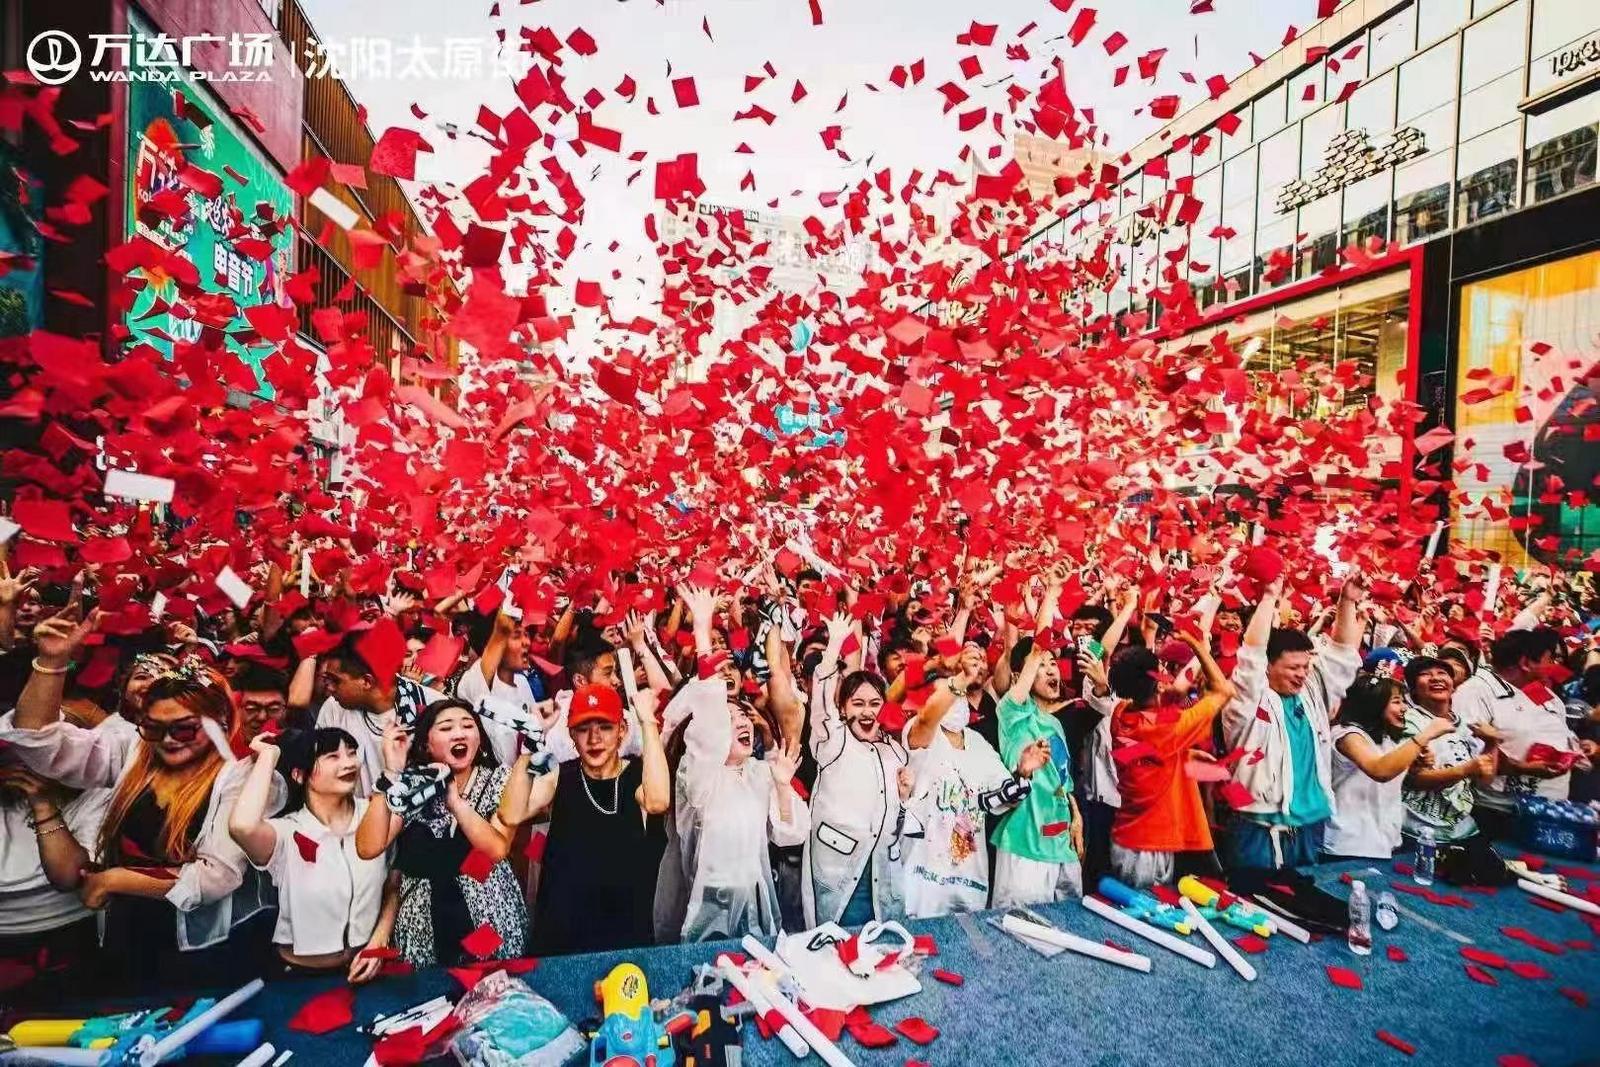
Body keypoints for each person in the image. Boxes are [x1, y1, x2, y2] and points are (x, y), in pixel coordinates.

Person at [2, 633, 277, 992]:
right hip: (125, 940)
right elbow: (41, 741)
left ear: (219, 721)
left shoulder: (240, 776)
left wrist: (115, 880)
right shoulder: (133, 750)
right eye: (154, 727)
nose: (168, 739)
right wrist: (51, 663)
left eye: (184, 728)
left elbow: (215, 877)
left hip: (206, 954)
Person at [668, 585, 810, 942]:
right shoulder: (697, 776)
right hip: (707, 910)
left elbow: (790, 834)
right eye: (732, 719)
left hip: (757, 907)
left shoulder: (759, 772)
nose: (743, 722)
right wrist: (703, 632)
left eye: (744, 716)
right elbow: (708, 726)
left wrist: (780, 785)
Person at [355, 698, 527, 966]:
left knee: (491, 996)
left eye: (468, 726)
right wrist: (391, 774)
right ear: (425, 744)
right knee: (434, 999)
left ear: (479, 738)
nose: (459, 733)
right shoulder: (411, 785)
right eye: (446, 728)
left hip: (487, 916)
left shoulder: (500, 779)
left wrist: (456, 803)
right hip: (423, 925)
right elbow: (368, 847)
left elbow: (497, 849)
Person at [1219, 573, 1364, 871]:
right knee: (1255, 904)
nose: (1302, 674)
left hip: (1311, 824)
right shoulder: (1246, 705)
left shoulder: (1312, 693)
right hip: (1259, 827)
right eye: (1293, 668)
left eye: (1306, 666)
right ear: (1269, 666)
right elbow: (1251, 656)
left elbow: (1341, 654)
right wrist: (1270, 597)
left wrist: (1347, 600)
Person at [228, 728, 397, 980]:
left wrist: (379, 939)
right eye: (332, 756)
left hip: (366, 966)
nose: (349, 762)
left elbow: (394, 882)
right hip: (297, 974)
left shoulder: (376, 813)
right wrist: (268, 756)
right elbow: (242, 826)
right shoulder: (287, 831)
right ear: (299, 774)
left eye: (351, 753)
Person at [517, 683, 669, 955]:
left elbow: (658, 801)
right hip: (564, 930)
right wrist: (530, 744)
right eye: (584, 729)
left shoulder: (635, 775)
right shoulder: (558, 774)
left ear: (622, 730)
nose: (594, 738)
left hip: (624, 926)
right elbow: (512, 813)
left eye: (605, 727)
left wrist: (647, 722)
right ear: (571, 735)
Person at [901, 641, 1048, 917]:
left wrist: (1024, 773)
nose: (954, 700)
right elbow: (925, 720)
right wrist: (961, 677)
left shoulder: (978, 743)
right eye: (946, 694)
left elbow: (994, 800)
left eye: (958, 694)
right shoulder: (921, 735)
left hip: (969, 877)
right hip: (922, 879)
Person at [802, 612, 911, 927]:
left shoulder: (895, 752)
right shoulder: (832, 742)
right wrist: (834, 645)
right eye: (857, 703)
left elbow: (899, 823)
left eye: (874, 703)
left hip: (882, 877)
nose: (866, 711)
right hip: (839, 876)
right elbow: (820, 707)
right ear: (844, 708)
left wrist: (904, 798)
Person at [1106, 631, 1235, 887]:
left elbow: (1152, 752)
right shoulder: (1166, 727)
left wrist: (1182, 754)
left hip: (1129, 837)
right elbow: (1223, 690)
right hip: (1149, 847)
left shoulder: (1121, 713)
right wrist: (1197, 644)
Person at [1454, 628, 1588, 838]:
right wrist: (1523, 768)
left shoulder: (1546, 695)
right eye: (1549, 659)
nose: (1553, 666)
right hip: (1497, 814)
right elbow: (1469, 754)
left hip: (1548, 815)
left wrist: (1578, 750)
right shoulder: (1475, 692)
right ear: (1526, 662)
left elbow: (1561, 734)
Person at [992, 639, 1084, 909]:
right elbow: (1033, 652)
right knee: (1022, 936)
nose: (1051, 670)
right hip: (1026, 846)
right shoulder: (1011, 715)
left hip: (1062, 845)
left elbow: (1063, 782)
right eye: (1041, 665)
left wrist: (1076, 816)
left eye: (1053, 663)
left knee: (1071, 926)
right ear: (1021, 677)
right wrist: (1052, 596)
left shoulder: (1055, 723)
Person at [1322, 671, 1451, 861]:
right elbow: (1380, 770)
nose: (1405, 708)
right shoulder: (1348, 735)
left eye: (1404, 702)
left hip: (1384, 843)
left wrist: (1414, 763)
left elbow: (1390, 774)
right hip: (1348, 846)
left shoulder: (1386, 737)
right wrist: (1425, 735)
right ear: (1373, 704)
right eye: (1397, 702)